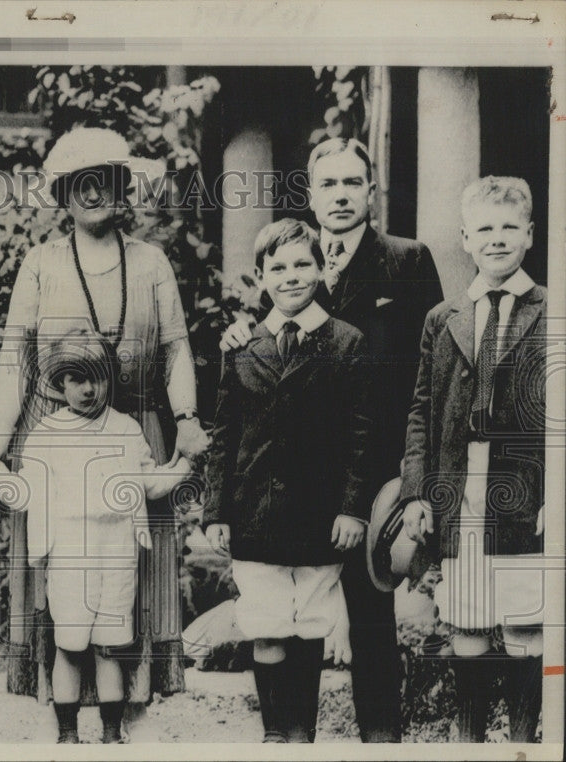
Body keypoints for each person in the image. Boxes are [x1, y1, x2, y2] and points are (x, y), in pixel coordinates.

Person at [0, 126, 210, 738]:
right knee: (63, 576)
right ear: (63, 194)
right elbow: (14, 355)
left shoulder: (151, 261)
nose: (93, 193)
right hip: (54, 437)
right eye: (80, 183)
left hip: (137, 432)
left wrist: (185, 420)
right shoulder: (41, 262)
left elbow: (178, 347)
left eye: (105, 180)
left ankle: (133, 714)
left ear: (124, 189)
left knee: (134, 575)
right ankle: (65, 722)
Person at [219, 138, 444, 741]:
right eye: (329, 184)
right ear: (311, 193)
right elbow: (274, 335)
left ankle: (380, 743)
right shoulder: (296, 259)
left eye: (352, 183)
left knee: (371, 621)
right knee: (298, 620)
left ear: (371, 191)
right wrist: (241, 333)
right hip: (306, 477)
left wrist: (418, 476)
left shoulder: (407, 259)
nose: (340, 195)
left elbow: (435, 368)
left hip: (379, 472)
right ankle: (296, 741)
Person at [203, 218, 372, 742]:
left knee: (309, 627)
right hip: (256, 513)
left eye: (303, 264)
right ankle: (275, 735)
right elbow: (223, 436)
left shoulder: (347, 343)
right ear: (260, 276)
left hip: (320, 516)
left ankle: (303, 736)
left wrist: (352, 506)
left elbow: (360, 435)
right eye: (278, 267)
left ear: (322, 270)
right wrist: (216, 512)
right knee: (268, 624)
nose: (292, 276)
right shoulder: (243, 346)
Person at [0, 330, 192, 743]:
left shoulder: (125, 428)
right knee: (69, 645)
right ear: (61, 383)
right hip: (68, 552)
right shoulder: (46, 434)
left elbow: (149, 482)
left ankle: (112, 734)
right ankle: (67, 736)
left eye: (96, 377)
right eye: (75, 378)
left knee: (109, 647)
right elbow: (23, 493)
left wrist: (187, 463)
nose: (87, 388)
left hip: (116, 551)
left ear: (109, 379)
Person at [401, 176, 546, 742]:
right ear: (464, 237)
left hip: (524, 490)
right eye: (484, 228)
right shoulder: (444, 318)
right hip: (461, 487)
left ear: (530, 234)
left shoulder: (550, 311)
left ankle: (525, 737)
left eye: (510, 227)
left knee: (522, 620)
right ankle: (468, 740)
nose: (496, 238)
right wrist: (417, 492)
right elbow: (421, 411)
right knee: (468, 617)